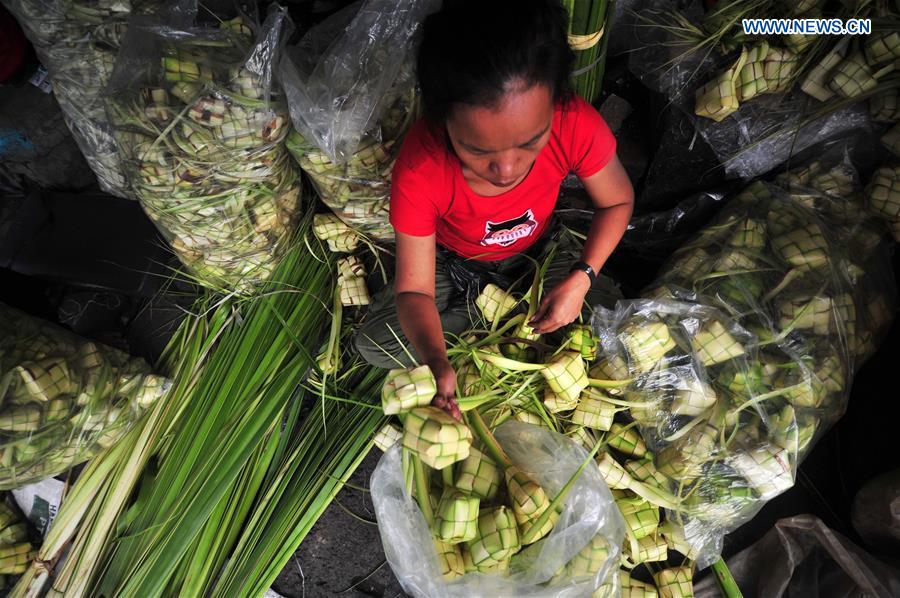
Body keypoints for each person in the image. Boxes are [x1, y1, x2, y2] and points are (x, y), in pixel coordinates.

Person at [355, 0, 634, 418]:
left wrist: (582, 277)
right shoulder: (421, 167)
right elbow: (415, 289)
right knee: (372, 344)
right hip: (455, 265)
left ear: (554, 104)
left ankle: (496, 315)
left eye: (529, 142)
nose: (506, 169)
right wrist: (436, 360)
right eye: (477, 149)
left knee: (614, 321)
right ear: (442, 118)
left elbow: (617, 200)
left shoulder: (574, 121)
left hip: (539, 253)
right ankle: (496, 311)